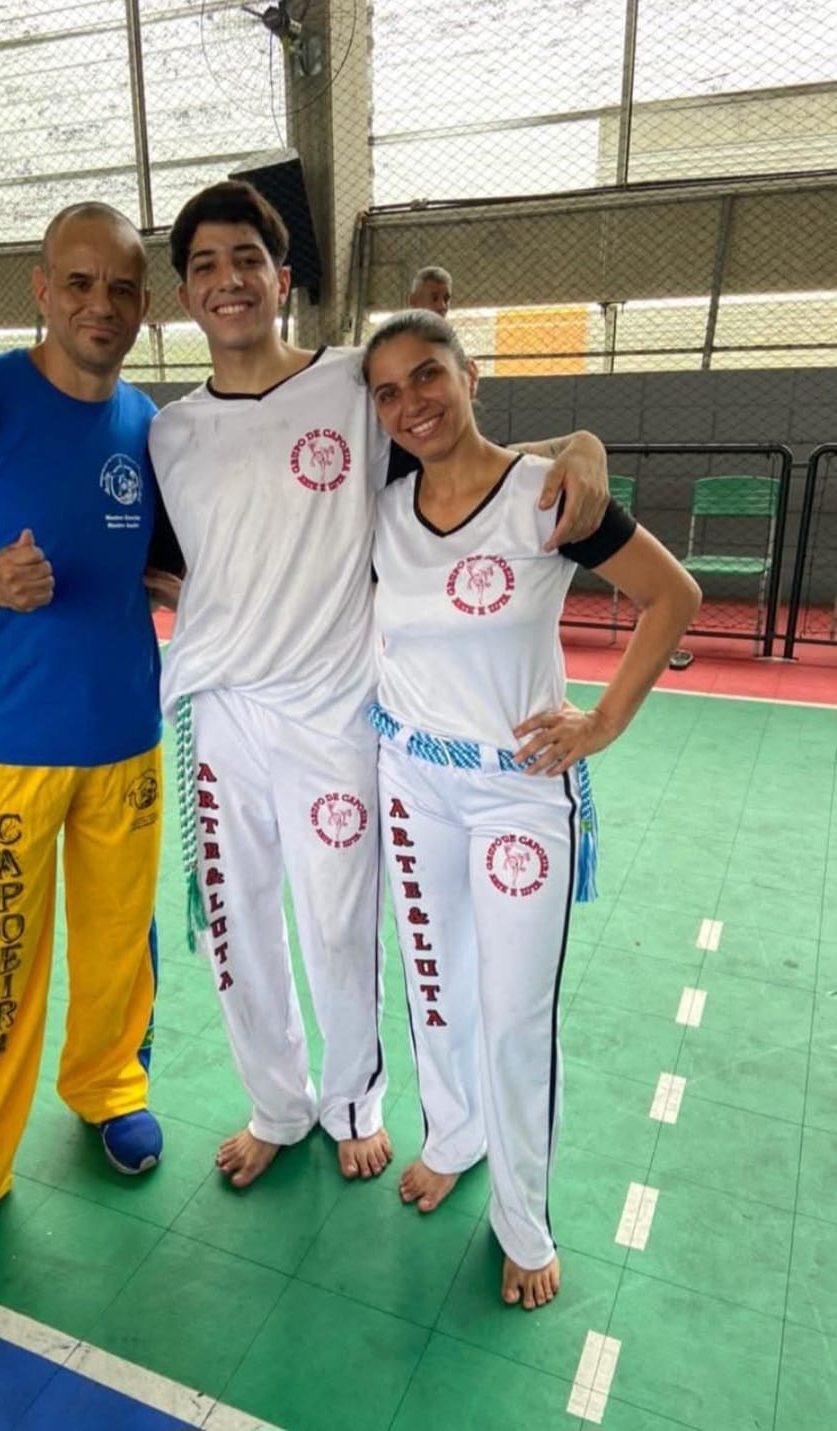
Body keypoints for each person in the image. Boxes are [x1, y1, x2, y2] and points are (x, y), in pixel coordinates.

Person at [148, 180, 610, 1191]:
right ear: (182, 294)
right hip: (222, 713)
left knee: (337, 920)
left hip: (337, 711)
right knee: (239, 925)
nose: (228, 282)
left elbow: (460, 454)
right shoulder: (167, 431)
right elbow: (166, 559)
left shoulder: (354, 384)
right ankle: (276, 1100)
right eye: (204, 268)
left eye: (246, 261)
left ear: (283, 277)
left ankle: (355, 1099)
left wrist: (577, 446)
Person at [361, 309, 700, 1312]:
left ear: (473, 376)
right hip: (411, 775)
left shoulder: (546, 496)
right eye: (387, 392)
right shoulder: (380, 502)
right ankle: (454, 1136)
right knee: (435, 990)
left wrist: (603, 723)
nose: (411, 403)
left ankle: (524, 1218)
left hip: (518, 791)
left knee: (514, 1017)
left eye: (430, 377)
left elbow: (672, 598)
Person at [0, 202, 182, 1296]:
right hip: (10, 745)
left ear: (146, 307)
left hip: (126, 742)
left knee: (117, 950)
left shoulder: (147, 422)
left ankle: (108, 1088)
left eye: (122, 288)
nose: (100, 305)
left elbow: (150, 563)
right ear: (40, 290)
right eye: (79, 283)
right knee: (0, 970)